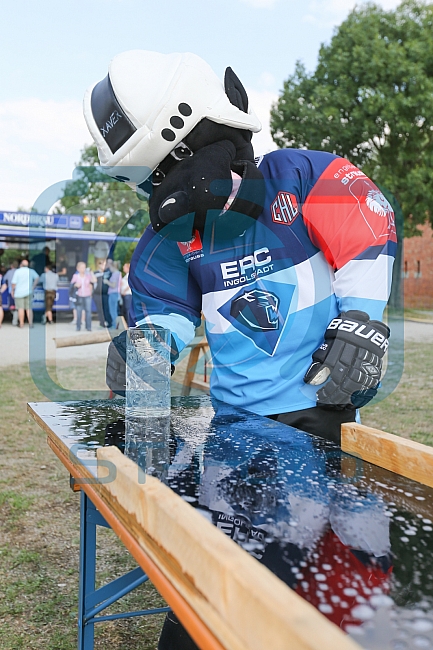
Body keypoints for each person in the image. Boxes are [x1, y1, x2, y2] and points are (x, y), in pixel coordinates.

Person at [84, 50, 396, 649]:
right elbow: (165, 312)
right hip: (236, 428)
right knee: (222, 589)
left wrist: (362, 319)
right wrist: (146, 350)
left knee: (331, 590)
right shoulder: (170, 239)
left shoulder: (301, 176)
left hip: (321, 416)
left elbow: (368, 234)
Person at [11, 259, 39, 328]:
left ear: (21, 264)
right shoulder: (31, 271)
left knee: (20, 308)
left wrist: (12, 290)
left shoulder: (17, 271)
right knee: (29, 308)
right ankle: (30, 323)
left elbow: (14, 283)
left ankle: (21, 324)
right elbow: (37, 278)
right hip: (29, 292)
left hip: (19, 292)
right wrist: (33, 286)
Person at [70, 262, 96, 332]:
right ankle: (78, 327)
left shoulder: (88, 276)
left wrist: (91, 272)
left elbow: (94, 280)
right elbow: (71, 285)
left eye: (84, 267)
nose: (83, 269)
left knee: (88, 311)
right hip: (79, 295)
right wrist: (75, 285)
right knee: (79, 311)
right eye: (82, 267)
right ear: (78, 269)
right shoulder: (75, 276)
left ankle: (88, 327)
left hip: (87, 295)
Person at [104, 259, 121, 329]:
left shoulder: (114, 274)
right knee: (115, 310)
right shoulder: (119, 274)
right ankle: (116, 325)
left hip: (113, 293)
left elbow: (113, 285)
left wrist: (106, 282)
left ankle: (115, 325)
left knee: (112, 311)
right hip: (117, 293)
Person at [1, 260, 19, 325]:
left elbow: (4, 279)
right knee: (18, 306)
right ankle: (16, 320)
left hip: (11, 291)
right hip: (19, 291)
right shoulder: (19, 272)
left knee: (12, 306)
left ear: (12, 266)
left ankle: (14, 319)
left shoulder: (9, 272)